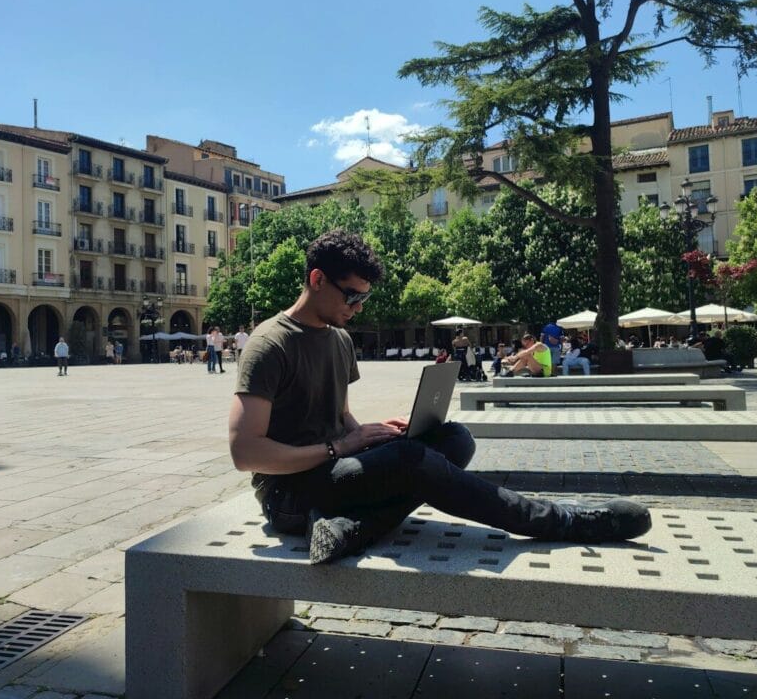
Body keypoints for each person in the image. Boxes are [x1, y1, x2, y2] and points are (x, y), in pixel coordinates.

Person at [228, 229, 651, 565]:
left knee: (455, 440)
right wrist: (341, 446)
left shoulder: (339, 339)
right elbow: (246, 452)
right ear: (317, 279)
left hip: (336, 474)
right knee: (413, 464)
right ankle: (561, 520)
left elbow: (337, 413)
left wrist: (372, 435)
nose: (358, 308)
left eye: (365, 297)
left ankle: (353, 526)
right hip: (289, 494)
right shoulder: (270, 344)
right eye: (352, 295)